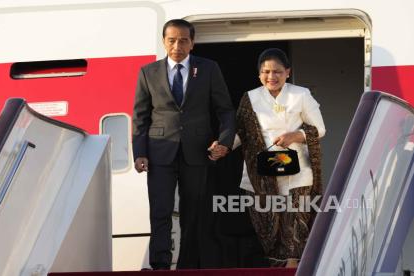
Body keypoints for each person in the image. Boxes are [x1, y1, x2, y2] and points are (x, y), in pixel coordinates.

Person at [132, 19, 236, 270]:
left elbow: (225, 110)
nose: (177, 45)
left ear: (192, 43)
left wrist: (224, 142)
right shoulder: (148, 72)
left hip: (198, 152)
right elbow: (140, 116)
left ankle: (187, 266)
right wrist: (140, 152)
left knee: (194, 213)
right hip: (159, 152)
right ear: (164, 41)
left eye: (183, 40)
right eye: (172, 40)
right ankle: (160, 264)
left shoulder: (209, 68)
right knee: (160, 210)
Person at [234, 48, 326, 268]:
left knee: (295, 225)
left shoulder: (300, 94)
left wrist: (296, 135)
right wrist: (222, 146)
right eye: (266, 72)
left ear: (287, 72)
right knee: (268, 228)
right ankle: (278, 267)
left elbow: (320, 129)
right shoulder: (251, 97)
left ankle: (294, 267)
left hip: (298, 171)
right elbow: (241, 133)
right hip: (261, 174)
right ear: (259, 74)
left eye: (277, 71)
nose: (271, 77)